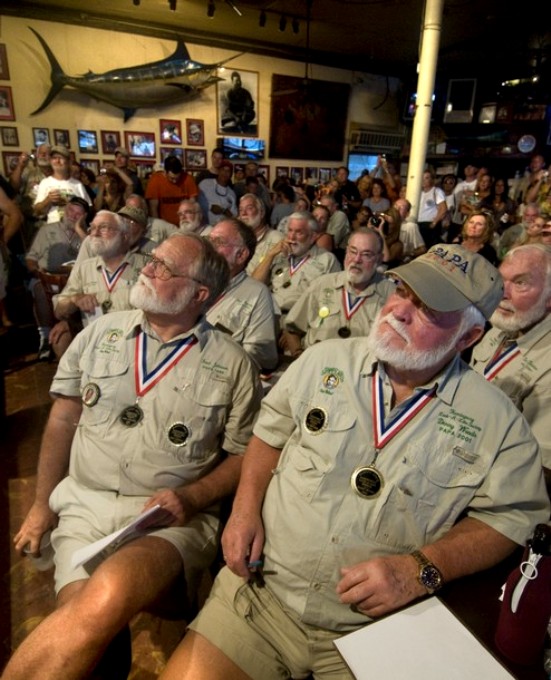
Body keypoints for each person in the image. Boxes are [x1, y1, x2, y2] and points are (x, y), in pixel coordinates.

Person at [159, 243, 549, 680]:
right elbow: (270, 434)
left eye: (430, 311)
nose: (399, 311)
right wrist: (245, 508)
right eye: (403, 291)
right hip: (260, 596)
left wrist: (420, 570)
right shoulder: (323, 361)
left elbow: (511, 518)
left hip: (378, 630)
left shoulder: (497, 422)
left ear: (469, 336)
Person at [2, 233, 262, 680]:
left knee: (107, 593)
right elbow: (63, 421)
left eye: (165, 268)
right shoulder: (100, 333)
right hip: (84, 505)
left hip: (166, 517)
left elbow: (244, 455)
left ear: (198, 294)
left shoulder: (233, 363)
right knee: (87, 629)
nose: (148, 268)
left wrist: (194, 498)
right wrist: (43, 505)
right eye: (152, 259)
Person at [470, 243, 551, 475]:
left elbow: (541, 471)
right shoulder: (500, 327)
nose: (502, 293)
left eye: (520, 283)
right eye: (500, 280)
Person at [50, 210, 147, 358]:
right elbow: (59, 309)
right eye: (92, 228)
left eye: (104, 227)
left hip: (133, 343)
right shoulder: (85, 268)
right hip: (94, 343)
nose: (95, 233)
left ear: (124, 236)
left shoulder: (146, 267)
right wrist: (75, 299)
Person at [282, 227, 393, 355]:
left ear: (379, 258)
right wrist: (299, 357)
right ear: (346, 252)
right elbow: (292, 329)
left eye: (366, 254)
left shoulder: (391, 296)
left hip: (360, 370)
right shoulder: (321, 284)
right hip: (317, 363)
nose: (357, 260)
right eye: (353, 251)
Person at [207, 218, 278, 372]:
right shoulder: (193, 281)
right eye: (208, 240)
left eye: (218, 242)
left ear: (241, 255)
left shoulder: (257, 294)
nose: (208, 247)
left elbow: (260, 356)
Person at [25, 196, 88, 360]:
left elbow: (92, 256)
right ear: (65, 209)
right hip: (48, 278)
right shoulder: (47, 230)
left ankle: (77, 334)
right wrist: (37, 271)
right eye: (71, 211)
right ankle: (45, 337)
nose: (73, 216)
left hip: (74, 280)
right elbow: (31, 259)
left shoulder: (86, 235)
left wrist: (80, 229)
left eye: (78, 214)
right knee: (39, 288)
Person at [251, 211, 341, 316]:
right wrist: (270, 255)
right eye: (290, 230)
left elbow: (331, 301)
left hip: (299, 321)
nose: (291, 237)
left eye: (299, 232)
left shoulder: (327, 260)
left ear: (313, 237)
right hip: (267, 314)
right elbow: (254, 286)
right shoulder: (278, 254)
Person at [33, 145, 91, 225]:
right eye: (54, 158)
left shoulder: (78, 184)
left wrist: (72, 204)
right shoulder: (45, 182)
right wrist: (48, 200)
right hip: (54, 229)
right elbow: (37, 211)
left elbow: (89, 208)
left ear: (69, 161)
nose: (57, 161)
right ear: (50, 161)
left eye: (61, 158)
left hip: (75, 230)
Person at [145, 155, 199, 227]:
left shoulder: (188, 179)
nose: (174, 181)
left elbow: (193, 205)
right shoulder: (155, 180)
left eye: (177, 178)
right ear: (165, 172)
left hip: (184, 224)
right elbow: (153, 208)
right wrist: (158, 226)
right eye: (171, 178)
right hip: (164, 224)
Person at [238, 193, 284, 275]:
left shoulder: (276, 239)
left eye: (249, 208)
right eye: (241, 210)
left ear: (262, 213)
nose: (243, 213)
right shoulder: (238, 239)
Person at [198, 160, 237, 226]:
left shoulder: (232, 194)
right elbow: (197, 202)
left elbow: (234, 216)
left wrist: (226, 212)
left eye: (228, 171)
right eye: (223, 170)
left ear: (231, 174)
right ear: (218, 171)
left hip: (222, 229)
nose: (225, 173)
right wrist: (210, 207)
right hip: (203, 226)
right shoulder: (205, 184)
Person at [417, 169, 447, 249]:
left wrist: (434, 223)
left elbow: (443, 209)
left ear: (432, 179)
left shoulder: (437, 191)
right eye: (422, 178)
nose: (423, 180)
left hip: (429, 224)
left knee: (431, 247)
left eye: (426, 178)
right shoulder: (419, 192)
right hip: (419, 223)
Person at [394, 197, 426, 262]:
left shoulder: (410, 226)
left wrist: (409, 254)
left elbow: (423, 249)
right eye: (395, 207)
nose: (397, 210)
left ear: (407, 213)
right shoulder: (385, 223)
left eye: (401, 208)